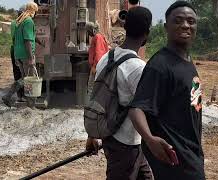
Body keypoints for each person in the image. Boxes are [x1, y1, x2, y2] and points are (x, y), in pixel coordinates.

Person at [128, 1, 205, 180]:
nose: (185, 25)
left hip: (191, 153)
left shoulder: (186, 60)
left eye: (190, 21)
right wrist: (150, 139)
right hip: (176, 161)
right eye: (178, 21)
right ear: (165, 27)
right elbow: (136, 109)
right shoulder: (160, 65)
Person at [86, 6, 154, 180]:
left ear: (125, 27)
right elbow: (146, 111)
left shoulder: (105, 59)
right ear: (146, 34)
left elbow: (97, 99)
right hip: (127, 144)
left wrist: (92, 136)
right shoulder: (139, 68)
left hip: (113, 137)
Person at [2, 2, 39, 107]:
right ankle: (28, 103)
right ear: (32, 11)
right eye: (35, 11)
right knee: (30, 79)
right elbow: (27, 40)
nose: (35, 14)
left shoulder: (18, 22)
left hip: (17, 53)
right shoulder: (28, 21)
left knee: (24, 78)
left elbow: (15, 39)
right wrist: (31, 58)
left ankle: (12, 97)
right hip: (25, 54)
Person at [86, 22, 109, 100]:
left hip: (97, 67)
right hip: (99, 66)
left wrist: (94, 67)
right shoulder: (99, 37)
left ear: (92, 30)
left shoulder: (97, 37)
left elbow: (99, 53)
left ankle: (90, 106)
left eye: (88, 31)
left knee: (91, 88)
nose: (87, 33)